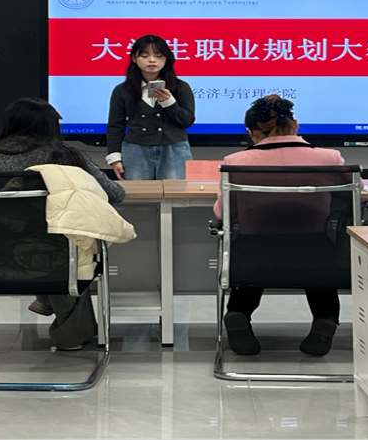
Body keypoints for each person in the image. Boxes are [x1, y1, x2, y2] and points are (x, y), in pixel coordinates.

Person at [0, 97, 125, 350]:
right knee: (72, 244)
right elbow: (115, 194)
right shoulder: (66, 156)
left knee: (47, 243)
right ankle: (69, 334)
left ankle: (46, 300)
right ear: (51, 126)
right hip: (53, 253)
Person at [213, 94, 346, 358]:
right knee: (320, 266)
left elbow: (225, 214)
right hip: (316, 252)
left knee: (249, 259)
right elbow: (351, 197)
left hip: (254, 253)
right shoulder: (330, 157)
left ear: (250, 132)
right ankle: (325, 319)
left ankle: (238, 313)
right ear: (295, 124)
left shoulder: (235, 161)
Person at [106, 35, 196, 180]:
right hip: (135, 148)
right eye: (144, 55)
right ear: (134, 58)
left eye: (158, 56)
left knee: (175, 192)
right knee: (138, 192)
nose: (152, 60)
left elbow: (187, 121)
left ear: (167, 59)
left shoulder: (181, 87)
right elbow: (115, 125)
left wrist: (169, 103)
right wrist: (115, 157)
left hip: (174, 148)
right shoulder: (123, 90)